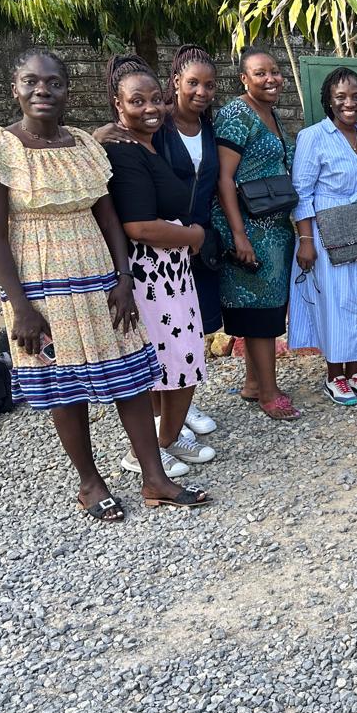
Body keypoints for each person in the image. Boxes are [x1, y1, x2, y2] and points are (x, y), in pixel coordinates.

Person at [0, 49, 209, 519]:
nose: (43, 91)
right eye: (31, 82)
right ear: (15, 89)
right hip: (40, 290)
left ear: (68, 90)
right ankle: (90, 483)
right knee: (64, 389)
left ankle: (155, 478)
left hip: (102, 282)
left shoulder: (85, 145)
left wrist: (125, 278)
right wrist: (20, 307)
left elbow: (108, 216)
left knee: (131, 380)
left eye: (54, 83)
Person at [102, 54, 215, 475]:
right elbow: (139, 227)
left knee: (171, 360)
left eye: (155, 99)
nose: (150, 108)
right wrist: (195, 236)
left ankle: (160, 439)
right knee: (182, 360)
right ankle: (149, 449)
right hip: (152, 272)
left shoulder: (147, 140)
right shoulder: (124, 150)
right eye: (136, 101)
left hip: (171, 272)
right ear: (118, 104)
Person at [289, 66, 357, 405]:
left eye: (356, 96)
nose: (349, 102)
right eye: (341, 96)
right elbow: (301, 194)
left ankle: (356, 370)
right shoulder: (313, 137)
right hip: (325, 235)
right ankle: (336, 376)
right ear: (329, 102)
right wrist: (306, 241)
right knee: (335, 304)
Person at [212, 47, 299, 420]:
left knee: (265, 310)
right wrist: (239, 235)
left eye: (275, 72)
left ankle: (253, 383)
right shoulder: (237, 114)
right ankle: (269, 392)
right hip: (248, 228)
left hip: (274, 228)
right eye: (260, 73)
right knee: (261, 314)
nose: (271, 79)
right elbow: (223, 178)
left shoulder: (272, 113)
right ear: (244, 79)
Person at [157, 45, 222, 438]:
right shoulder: (158, 125)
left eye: (209, 85)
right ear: (176, 82)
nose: (201, 91)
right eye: (193, 82)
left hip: (198, 245)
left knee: (192, 329)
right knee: (165, 332)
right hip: (163, 245)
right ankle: (162, 420)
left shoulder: (208, 130)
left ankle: (183, 405)